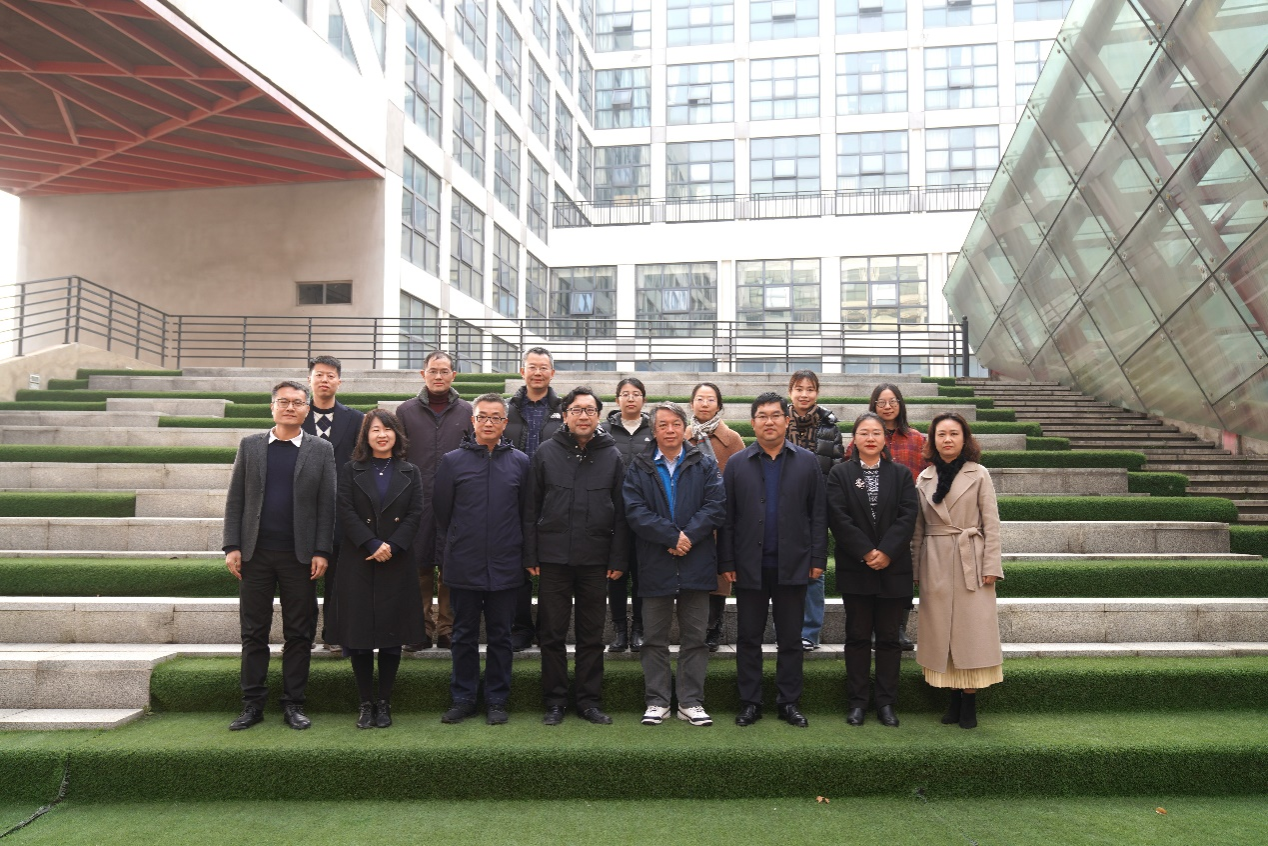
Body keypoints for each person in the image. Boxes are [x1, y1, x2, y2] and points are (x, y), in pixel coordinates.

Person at [223, 380, 336, 731]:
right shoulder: (251, 445)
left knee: (299, 633)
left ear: (307, 409)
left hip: (299, 556)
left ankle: (293, 703)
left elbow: (327, 504)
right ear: (272, 406)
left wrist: (321, 550)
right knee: (253, 631)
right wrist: (232, 546)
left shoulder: (321, 449)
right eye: (283, 402)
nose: (290, 407)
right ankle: (252, 704)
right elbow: (236, 498)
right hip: (255, 554)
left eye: (297, 402)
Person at [719, 392, 827, 728]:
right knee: (748, 638)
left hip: (793, 564)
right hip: (748, 565)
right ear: (753, 423)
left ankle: (789, 702)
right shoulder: (737, 464)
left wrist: (817, 557)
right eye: (762, 416)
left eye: (775, 415)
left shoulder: (807, 461)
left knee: (791, 638)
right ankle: (750, 702)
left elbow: (818, 514)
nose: (769, 421)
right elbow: (727, 518)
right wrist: (727, 561)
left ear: (786, 420)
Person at [523, 387, 628, 725]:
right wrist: (531, 554)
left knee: (591, 635)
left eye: (590, 410)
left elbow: (622, 513)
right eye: (577, 410)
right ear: (565, 414)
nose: (584, 416)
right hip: (553, 559)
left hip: (596, 560)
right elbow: (530, 508)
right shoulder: (545, 452)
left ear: (599, 416)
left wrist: (618, 559)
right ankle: (555, 701)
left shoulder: (612, 456)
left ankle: (588, 701)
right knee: (552, 634)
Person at [623, 401, 727, 727]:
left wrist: (688, 537)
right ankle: (657, 701)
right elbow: (634, 511)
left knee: (695, 638)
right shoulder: (639, 466)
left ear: (685, 428)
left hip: (696, 561)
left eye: (675, 424)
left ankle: (690, 702)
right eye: (663, 425)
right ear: (654, 431)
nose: (670, 430)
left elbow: (715, 505)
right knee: (654, 638)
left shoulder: (704, 463)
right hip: (655, 562)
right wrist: (670, 536)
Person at [433, 394, 530, 726]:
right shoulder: (452, 462)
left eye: (496, 417)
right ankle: (463, 698)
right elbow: (442, 513)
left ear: (505, 423)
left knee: (501, 635)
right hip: (464, 563)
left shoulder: (520, 462)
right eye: (483, 417)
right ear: (472, 421)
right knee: (463, 634)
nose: (489, 423)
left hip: (506, 563)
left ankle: (497, 699)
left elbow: (525, 513)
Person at [330, 410, 425, 729]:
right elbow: (345, 510)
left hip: (396, 560)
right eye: (375, 430)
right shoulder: (350, 469)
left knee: (391, 634)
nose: (382, 435)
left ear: (397, 434)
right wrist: (371, 543)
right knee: (358, 635)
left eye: (387, 429)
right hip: (359, 558)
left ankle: (384, 702)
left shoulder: (411, 471)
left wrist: (392, 545)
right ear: (365, 436)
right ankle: (365, 702)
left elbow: (415, 513)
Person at [911, 412, 1004, 730]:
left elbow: (991, 523)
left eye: (953, 433)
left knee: (971, 632)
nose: (947, 439)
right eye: (941, 434)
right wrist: (915, 569)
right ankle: (952, 698)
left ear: (965, 439)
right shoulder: (924, 478)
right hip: (935, 560)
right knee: (942, 631)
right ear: (932, 440)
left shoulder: (979, 474)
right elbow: (918, 529)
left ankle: (969, 701)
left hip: (971, 559)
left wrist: (991, 565)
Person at [827, 412, 918, 728]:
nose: (870, 438)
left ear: (884, 438)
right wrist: (866, 551)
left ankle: (886, 703)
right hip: (857, 567)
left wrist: (887, 551)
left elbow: (908, 516)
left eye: (876, 433)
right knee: (857, 636)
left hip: (894, 567)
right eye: (863, 432)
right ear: (854, 439)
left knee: (890, 639)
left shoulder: (901, 474)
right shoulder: (840, 474)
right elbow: (838, 517)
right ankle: (857, 702)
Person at [397, 350, 473, 651]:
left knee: (450, 566)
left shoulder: (467, 411)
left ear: (454, 375)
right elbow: (398, 456)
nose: (438, 376)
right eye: (433, 371)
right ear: (423, 374)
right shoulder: (405, 411)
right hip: (417, 499)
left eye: (444, 371)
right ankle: (419, 628)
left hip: (457, 501)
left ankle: (447, 629)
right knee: (420, 566)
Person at [846, 382, 929, 651]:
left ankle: (899, 626)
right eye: (881, 402)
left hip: (906, 513)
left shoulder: (917, 439)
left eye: (893, 401)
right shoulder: (861, 438)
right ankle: (872, 627)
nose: (887, 406)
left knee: (903, 568)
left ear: (901, 404)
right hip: (869, 515)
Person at [302, 355, 365, 657]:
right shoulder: (295, 414)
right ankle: (302, 635)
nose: (324, 380)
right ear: (309, 380)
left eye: (330, 375)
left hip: (341, 510)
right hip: (302, 511)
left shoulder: (356, 419)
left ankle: (334, 633)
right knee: (301, 578)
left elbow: (361, 463)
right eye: (319, 375)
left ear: (339, 381)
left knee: (339, 578)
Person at [505, 347, 564, 652]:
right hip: (513, 496)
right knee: (517, 566)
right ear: (522, 371)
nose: (537, 372)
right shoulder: (508, 409)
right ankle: (520, 627)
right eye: (532, 367)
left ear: (552, 373)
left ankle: (547, 628)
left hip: (553, 497)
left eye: (543, 367)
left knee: (552, 568)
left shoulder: (564, 410)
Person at [786, 369, 844, 652]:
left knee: (815, 570)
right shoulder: (779, 420)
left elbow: (836, 468)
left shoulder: (830, 426)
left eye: (810, 389)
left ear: (817, 393)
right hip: (783, 506)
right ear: (790, 392)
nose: (804, 394)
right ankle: (787, 629)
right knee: (785, 568)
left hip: (817, 506)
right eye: (799, 389)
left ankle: (810, 632)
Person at [686, 382, 745, 652]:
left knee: (718, 574)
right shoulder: (682, 436)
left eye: (710, 399)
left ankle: (714, 627)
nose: (705, 403)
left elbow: (742, 479)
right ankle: (693, 628)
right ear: (692, 404)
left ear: (719, 405)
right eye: (700, 398)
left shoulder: (732, 439)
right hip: (689, 518)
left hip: (720, 517)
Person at [605, 376, 653, 653]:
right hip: (613, 515)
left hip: (645, 514)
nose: (631, 398)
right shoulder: (604, 431)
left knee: (642, 574)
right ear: (617, 399)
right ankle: (620, 630)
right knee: (616, 575)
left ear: (643, 399)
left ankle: (638, 630)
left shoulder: (653, 429)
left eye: (636, 393)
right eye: (625, 393)